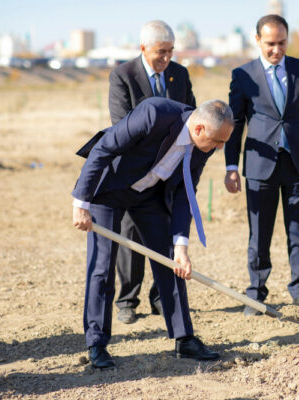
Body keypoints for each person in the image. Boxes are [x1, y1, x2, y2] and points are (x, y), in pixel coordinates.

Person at [72, 98, 233, 368]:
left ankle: (184, 339)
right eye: (218, 141)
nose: (220, 148)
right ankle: (97, 343)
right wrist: (81, 203)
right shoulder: (154, 113)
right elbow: (103, 149)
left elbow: (185, 195)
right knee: (102, 266)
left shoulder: (205, 146)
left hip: (149, 195)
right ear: (200, 129)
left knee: (171, 261)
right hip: (109, 190)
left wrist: (181, 247)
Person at [224, 14, 299, 316]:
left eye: (282, 43)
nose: (276, 50)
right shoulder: (242, 75)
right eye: (270, 44)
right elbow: (235, 123)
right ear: (257, 40)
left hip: (298, 162)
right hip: (260, 165)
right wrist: (231, 165)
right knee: (260, 233)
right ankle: (256, 293)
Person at [108, 20, 197, 325]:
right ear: (143, 48)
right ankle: (127, 300)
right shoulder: (123, 76)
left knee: (164, 232)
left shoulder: (180, 74)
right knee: (131, 234)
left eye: (171, 51)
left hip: (169, 168)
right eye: (161, 52)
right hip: (135, 171)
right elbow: (121, 124)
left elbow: (191, 115)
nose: (166, 58)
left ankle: (161, 297)